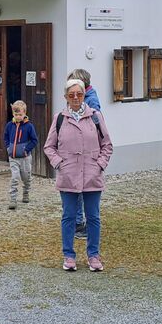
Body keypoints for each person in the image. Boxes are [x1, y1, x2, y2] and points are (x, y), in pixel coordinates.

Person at [44, 79, 113, 272]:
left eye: (79, 94)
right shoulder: (59, 118)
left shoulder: (95, 117)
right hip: (68, 175)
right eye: (71, 94)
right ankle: (69, 255)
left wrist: (99, 165)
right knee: (68, 216)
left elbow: (107, 145)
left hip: (92, 174)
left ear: (84, 95)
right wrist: (59, 164)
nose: (75, 97)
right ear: (65, 96)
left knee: (93, 217)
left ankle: (94, 255)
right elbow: (49, 147)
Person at [66, 68, 101, 239]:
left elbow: (94, 126)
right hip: (75, 151)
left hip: (86, 152)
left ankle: (81, 225)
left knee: (83, 190)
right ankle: (78, 223)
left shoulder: (91, 101)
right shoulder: (80, 97)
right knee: (76, 189)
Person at [3, 100, 38, 210]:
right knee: (14, 178)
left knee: (26, 178)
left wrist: (26, 150)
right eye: (16, 114)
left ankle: (26, 192)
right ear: (13, 114)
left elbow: (34, 140)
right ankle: (13, 199)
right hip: (13, 158)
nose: (18, 116)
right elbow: (6, 137)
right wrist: (8, 147)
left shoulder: (29, 126)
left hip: (25, 158)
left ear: (24, 113)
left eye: (20, 114)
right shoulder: (9, 125)